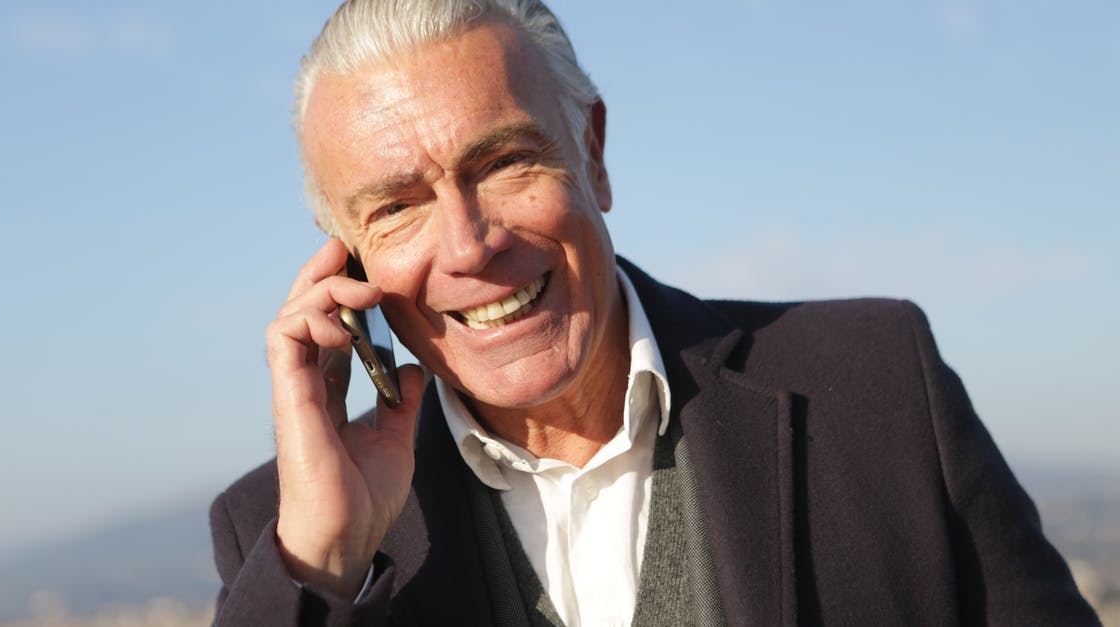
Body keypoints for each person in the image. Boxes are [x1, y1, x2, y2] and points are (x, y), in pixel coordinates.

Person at [209, 1, 1100, 625]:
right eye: (396, 206)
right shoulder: (283, 539)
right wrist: (319, 565)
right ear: (346, 259)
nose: (469, 244)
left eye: (506, 160)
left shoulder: (878, 388)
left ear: (592, 154)